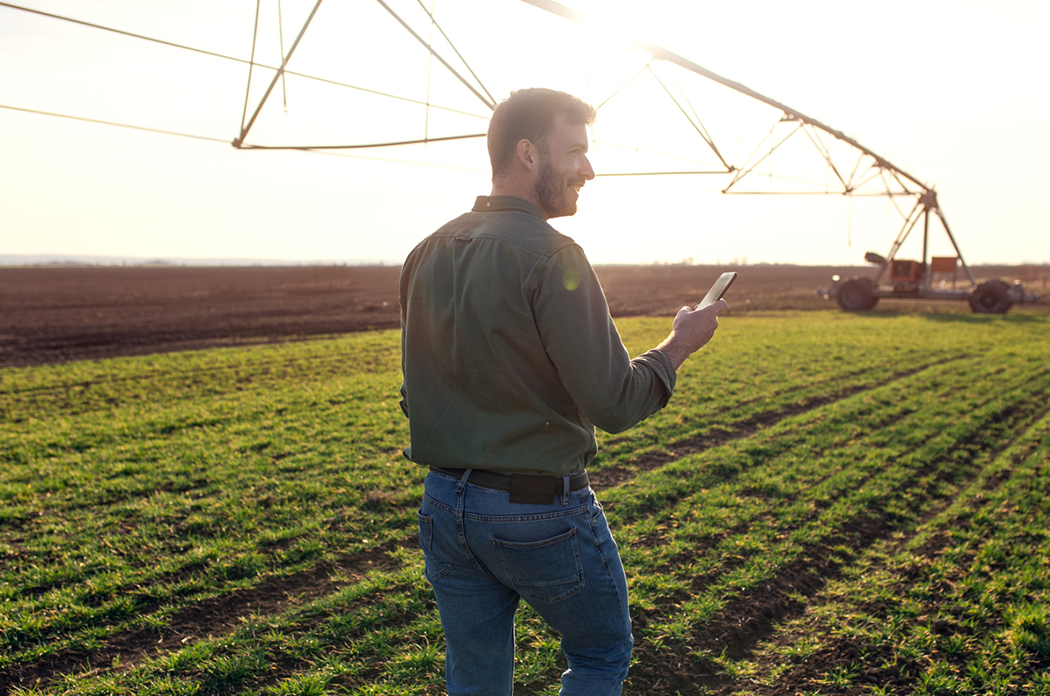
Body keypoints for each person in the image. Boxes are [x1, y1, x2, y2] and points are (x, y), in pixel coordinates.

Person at [398, 87, 726, 696]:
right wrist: (680, 344)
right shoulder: (553, 256)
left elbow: (413, 394)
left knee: (475, 673)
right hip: (537, 511)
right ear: (527, 153)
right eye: (574, 150)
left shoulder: (426, 250)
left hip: (444, 505)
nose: (589, 169)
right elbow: (617, 403)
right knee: (601, 657)